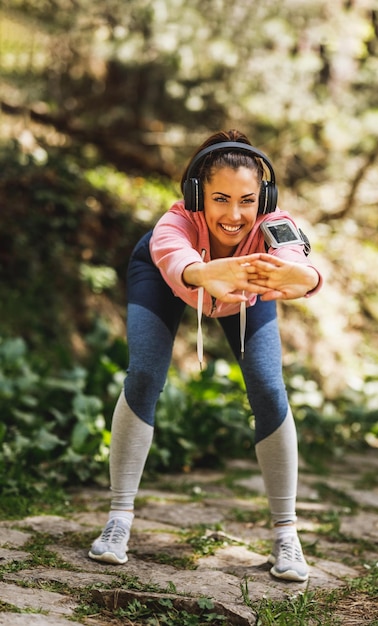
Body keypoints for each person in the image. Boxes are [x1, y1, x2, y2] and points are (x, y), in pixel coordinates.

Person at [88, 129, 322, 582]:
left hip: (244, 293)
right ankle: (118, 519)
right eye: (220, 198)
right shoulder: (174, 223)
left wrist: (303, 277)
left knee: (269, 389)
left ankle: (286, 536)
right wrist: (204, 272)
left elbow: (299, 262)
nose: (234, 215)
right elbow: (177, 261)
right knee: (144, 377)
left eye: (247, 200)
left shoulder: (272, 226)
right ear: (197, 194)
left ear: (265, 198)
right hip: (164, 277)